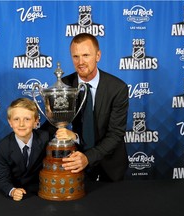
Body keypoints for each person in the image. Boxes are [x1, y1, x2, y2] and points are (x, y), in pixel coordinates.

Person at [49, 33, 129, 182]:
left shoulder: (117, 88)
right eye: (75, 56)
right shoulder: (64, 85)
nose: (81, 62)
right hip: (73, 163)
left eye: (86, 55)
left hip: (110, 166)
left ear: (98, 56)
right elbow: (52, 125)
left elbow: (116, 134)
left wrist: (88, 157)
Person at [0, 98, 49, 201]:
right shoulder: (3, 147)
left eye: (27, 119)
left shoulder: (45, 138)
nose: (21, 124)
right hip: (18, 190)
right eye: (16, 119)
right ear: (10, 122)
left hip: (41, 191)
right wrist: (12, 191)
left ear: (36, 121)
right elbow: (2, 178)